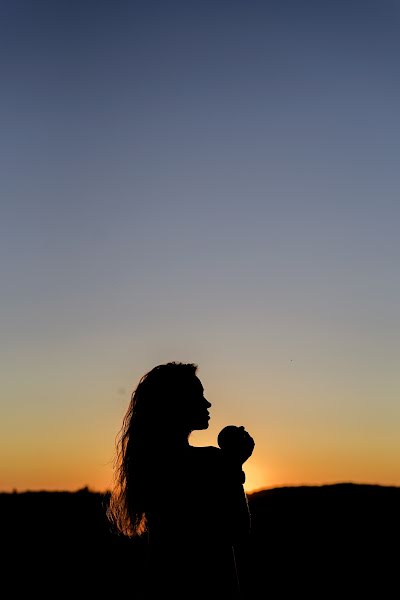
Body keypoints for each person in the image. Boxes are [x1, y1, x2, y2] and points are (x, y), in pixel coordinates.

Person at [107, 361, 255, 599]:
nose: (208, 403)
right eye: (198, 395)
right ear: (174, 403)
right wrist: (233, 463)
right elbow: (236, 529)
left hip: (163, 588)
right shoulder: (208, 462)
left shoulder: (150, 463)